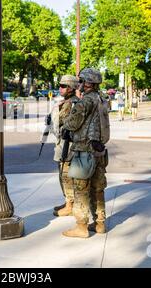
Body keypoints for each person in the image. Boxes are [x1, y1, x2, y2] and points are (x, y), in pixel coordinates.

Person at [62, 68, 107, 238]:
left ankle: (81, 227)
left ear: (89, 83)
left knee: (80, 189)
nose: (78, 84)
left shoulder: (86, 101)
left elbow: (73, 122)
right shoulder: (101, 99)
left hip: (84, 150)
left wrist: (66, 127)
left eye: (81, 81)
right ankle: (100, 223)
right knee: (98, 189)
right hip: (98, 150)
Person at [49, 75, 80, 217]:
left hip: (68, 144)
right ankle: (68, 200)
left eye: (63, 86)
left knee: (66, 175)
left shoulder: (72, 104)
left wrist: (55, 112)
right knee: (62, 174)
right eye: (60, 85)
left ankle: (70, 204)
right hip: (63, 143)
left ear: (71, 88)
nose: (60, 88)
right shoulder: (66, 103)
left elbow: (60, 126)